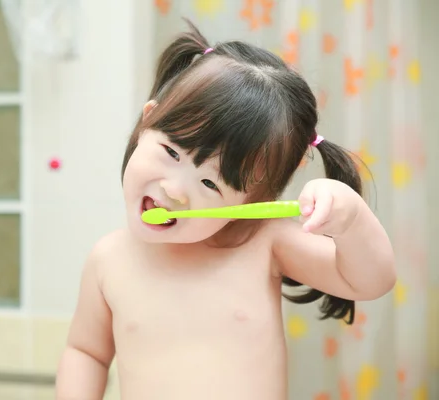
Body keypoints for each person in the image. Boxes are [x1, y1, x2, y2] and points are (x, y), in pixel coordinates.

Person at [55, 20, 395, 400]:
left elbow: (369, 281)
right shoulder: (109, 260)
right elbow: (86, 352)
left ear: (248, 204)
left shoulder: (262, 242)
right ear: (147, 120)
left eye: (210, 184)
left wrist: (351, 218)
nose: (175, 190)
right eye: (171, 152)